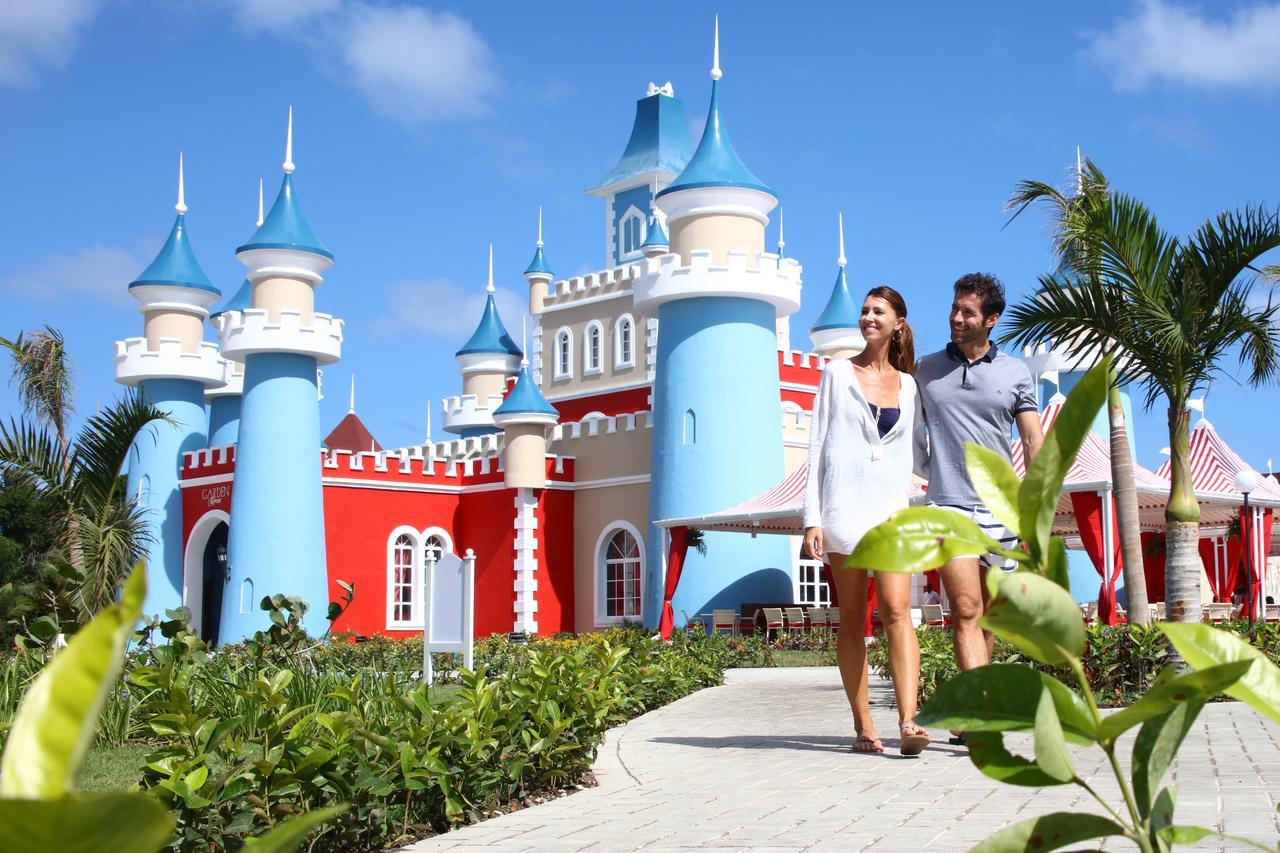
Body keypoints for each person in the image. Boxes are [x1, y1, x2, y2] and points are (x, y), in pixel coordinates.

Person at [915, 273, 1044, 743]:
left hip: (1002, 509)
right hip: (948, 503)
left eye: (968, 312)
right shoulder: (925, 370)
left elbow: (1032, 439)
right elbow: (907, 430)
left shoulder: (1015, 373)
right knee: (966, 609)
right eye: (954, 308)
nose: (956, 318)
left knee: (989, 615)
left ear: (991, 320)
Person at [804, 286, 930, 756]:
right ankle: (863, 726)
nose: (867, 318)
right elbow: (817, 446)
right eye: (863, 311)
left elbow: (916, 454)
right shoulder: (836, 373)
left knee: (898, 611)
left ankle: (909, 721)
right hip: (844, 509)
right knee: (853, 618)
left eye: (878, 311)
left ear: (898, 321)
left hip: (892, 512)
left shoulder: (910, 385)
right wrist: (811, 519)